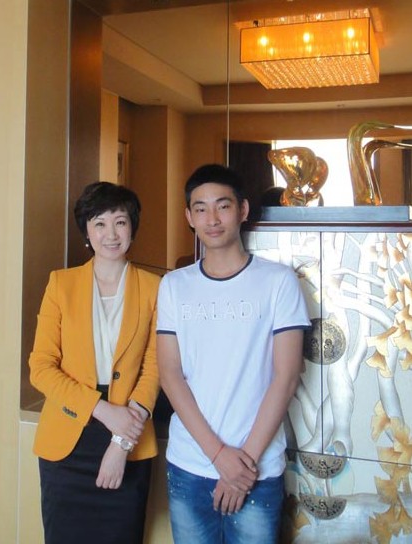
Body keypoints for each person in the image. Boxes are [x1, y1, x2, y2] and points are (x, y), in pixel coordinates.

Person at [156, 164, 310, 543]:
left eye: (222, 206)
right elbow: (171, 375)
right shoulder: (174, 285)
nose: (212, 219)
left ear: (242, 210)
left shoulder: (279, 282)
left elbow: (286, 376)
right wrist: (219, 456)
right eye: (201, 208)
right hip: (190, 464)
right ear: (189, 217)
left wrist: (243, 465)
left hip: (257, 467)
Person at [29, 181, 161, 544]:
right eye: (99, 223)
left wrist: (121, 440)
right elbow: (41, 366)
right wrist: (102, 411)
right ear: (86, 231)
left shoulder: (155, 287)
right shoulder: (61, 284)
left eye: (120, 222)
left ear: (132, 227)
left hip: (130, 432)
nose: (111, 234)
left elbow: (155, 366)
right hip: (67, 440)